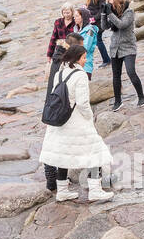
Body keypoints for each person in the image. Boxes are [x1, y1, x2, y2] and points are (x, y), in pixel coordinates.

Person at [40, 44, 114, 202]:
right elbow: (82, 103)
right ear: (76, 58)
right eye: (83, 57)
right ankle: (95, 190)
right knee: (96, 153)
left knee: (62, 156)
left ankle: (62, 191)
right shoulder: (80, 76)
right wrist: (90, 117)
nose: (85, 60)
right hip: (77, 123)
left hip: (60, 123)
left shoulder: (59, 73)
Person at [105, 0, 144, 110]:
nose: (110, 6)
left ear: (118, 3)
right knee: (116, 76)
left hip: (128, 47)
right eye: (109, 4)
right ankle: (118, 101)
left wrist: (109, 14)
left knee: (131, 72)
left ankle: (141, 97)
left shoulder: (129, 12)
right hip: (115, 48)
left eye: (112, 3)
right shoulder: (111, 12)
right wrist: (104, 13)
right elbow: (104, 26)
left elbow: (121, 25)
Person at [84, 0, 112, 67]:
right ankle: (106, 59)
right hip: (92, 21)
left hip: (99, 21)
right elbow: (92, 6)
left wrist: (94, 18)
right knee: (96, 40)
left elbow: (102, 9)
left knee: (98, 40)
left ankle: (107, 60)